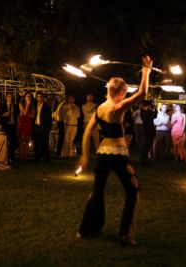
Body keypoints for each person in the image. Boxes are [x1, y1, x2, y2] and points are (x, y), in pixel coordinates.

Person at [78, 55, 153, 247]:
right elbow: (143, 93)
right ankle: (126, 235)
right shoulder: (117, 108)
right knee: (133, 190)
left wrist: (86, 156)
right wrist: (146, 71)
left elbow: (87, 132)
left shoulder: (101, 108)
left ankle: (86, 229)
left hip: (102, 154)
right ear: (120, 93)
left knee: (98, 190)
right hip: (117, 155)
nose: (126, 96)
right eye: (125, 92)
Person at [0, 93, 18, 164]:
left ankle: (11, 157)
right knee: (5, 141)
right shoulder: (3, 105)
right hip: (5, 126)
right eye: (9, 97)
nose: (10, 98)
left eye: (11, 97)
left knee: (12, 142)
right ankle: (4, 157)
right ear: (6, 98)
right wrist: (4, 114)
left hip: (13, 125)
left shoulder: (15, 106)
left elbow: (17, 116)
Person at [33, 92, 53, 163]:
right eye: (38, 97)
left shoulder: (47, 107)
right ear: (36, 97)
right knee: (36, 144)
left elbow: (49, 120)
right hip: (36, 126)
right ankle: (37, 159)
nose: (39, 98)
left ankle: (46, 159)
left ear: (43, 98)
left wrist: (48, 129)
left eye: (40, 97)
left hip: (43, 127)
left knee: (45, 143)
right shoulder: (34, 106)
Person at [17, 92, 35, 162]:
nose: (28, 98)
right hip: (22, 123)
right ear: (24, 97)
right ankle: (21, 157)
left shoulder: (33, 105)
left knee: (27, 141)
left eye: (30, 96)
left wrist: (26, 114)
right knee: (21, 141)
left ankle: (25, 157)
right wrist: (27, 104)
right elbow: (24, 113)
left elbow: (33, 115)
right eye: (27, 96)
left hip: (28, 123)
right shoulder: (21, 103)